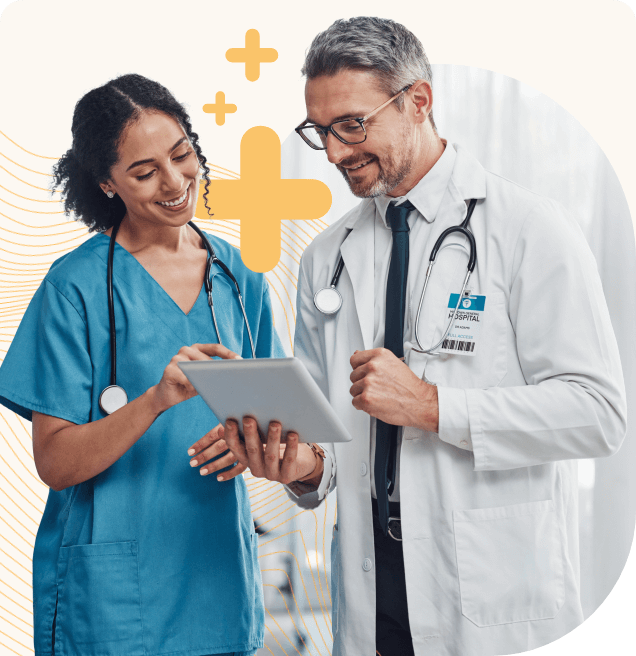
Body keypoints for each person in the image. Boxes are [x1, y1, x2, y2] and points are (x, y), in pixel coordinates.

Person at [219, 16, 628, 656]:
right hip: (371, 591)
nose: (333, 152)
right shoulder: (327, 256)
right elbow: (327, 447)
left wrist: (435, 407)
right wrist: (298, 467)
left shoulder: (528, 231)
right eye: (319, 131)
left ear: (418, 101)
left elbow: (599, 415)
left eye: (351, 125)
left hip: (489, 592)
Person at [0, 74, 284, 656]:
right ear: (106, 182)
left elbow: (278, 416)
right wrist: (155, 400)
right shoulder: (74, 287)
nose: (176, 182)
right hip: (110, 597)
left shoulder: (237, 277)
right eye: (144, 171)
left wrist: (249, 440)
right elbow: (54, 461)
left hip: (216, 576)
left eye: (183, 156)